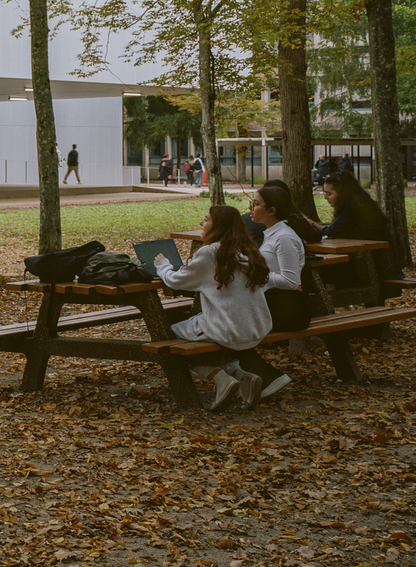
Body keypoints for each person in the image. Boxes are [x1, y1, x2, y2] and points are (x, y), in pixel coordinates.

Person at [152, 205, 272, 411]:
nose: (201, 223)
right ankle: (241, 376)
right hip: (257, 327)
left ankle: (219, 378)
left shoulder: (210, 253)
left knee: (165, 336)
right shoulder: (248, 250)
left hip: (229, 330)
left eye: (206, 219)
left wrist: (162, 265)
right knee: (195, 324)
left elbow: (175, 281)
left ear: (218, 227)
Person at [231, 185, 312, 399]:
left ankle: (266, 375)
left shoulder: (284, 237)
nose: (250, 207)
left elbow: (290, 280)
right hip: (277, 303)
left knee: (227, 327)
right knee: (224, 324)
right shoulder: (272, 233)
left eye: (256, 204)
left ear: (272, 210)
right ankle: (246, 375)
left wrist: (258, 273)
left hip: (290, 309)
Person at [320, 171, 400, 278]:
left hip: (379, 269)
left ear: (343, 193)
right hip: (382, 266)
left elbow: (332, 232)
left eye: (329, 194)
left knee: (320, 271)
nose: (326, 198)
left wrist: (309, 224)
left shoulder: (351, 209)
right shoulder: (361, 204)